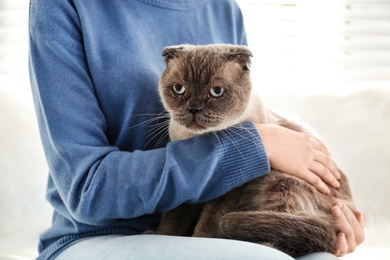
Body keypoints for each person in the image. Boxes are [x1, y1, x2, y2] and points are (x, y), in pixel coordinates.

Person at [28, 0, 365, 259]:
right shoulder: (65, 6)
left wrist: (321, 215)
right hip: (101, 236)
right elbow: (87, 190)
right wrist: (257, 145)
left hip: (221, 226)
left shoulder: (222, 7)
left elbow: (239, 129)